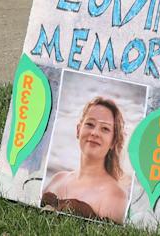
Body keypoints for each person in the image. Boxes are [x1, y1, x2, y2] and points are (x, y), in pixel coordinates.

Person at [41, 96, 130, 224]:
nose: (95, 133)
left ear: (113, 142)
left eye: (105, 129)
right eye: (90, 124)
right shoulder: (58, 179)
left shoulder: (115, 196)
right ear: (78, 130)